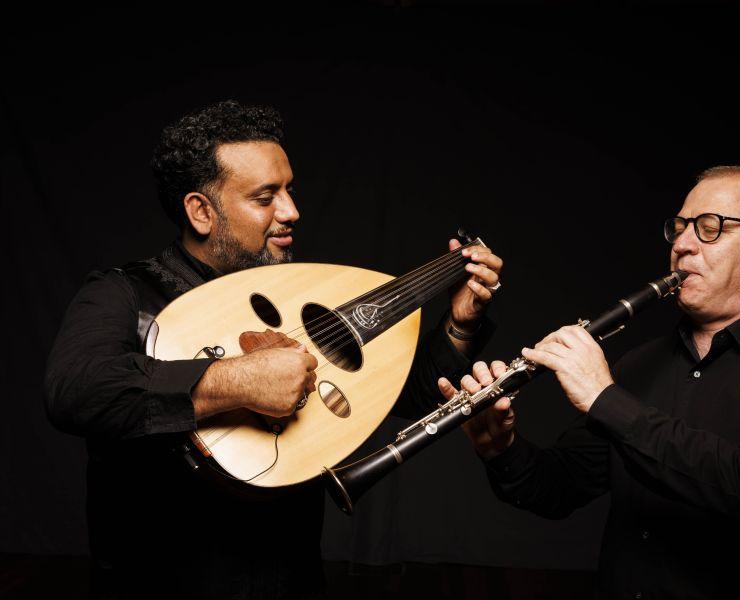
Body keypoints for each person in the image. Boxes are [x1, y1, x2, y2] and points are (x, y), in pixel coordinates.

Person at [44, 100, 504, 600]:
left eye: (289, 190)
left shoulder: (295, 296)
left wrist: (460, 325)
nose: (291, 212)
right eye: (266, 197)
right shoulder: (123, 293)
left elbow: (403, 395)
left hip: (288, 583)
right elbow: (77, 390)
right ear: (201, 211)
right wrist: (235, 380)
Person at [440, 166, 740, 599]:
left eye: (710, 227)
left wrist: (606, 400)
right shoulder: (641, 365)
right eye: (680, 228)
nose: (682, 244)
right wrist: (499, 448)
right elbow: (556, 489)